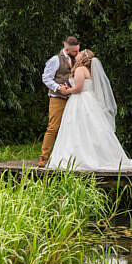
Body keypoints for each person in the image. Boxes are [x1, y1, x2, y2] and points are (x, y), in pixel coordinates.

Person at [44, 49, 132, 171]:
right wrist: (69, 88)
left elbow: (78, 88)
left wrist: (66, 91)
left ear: (83, 58)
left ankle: (80, 157)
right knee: (88, 128)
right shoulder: (88, 70)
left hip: (81, 101)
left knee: (78, 128)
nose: (77, 55)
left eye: (80, 53)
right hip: (87, 100)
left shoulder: (80, 69)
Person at [37, 35, 81, 166]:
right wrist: (58, 88)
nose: (78, 53)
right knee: (53, 127)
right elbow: (46, 78)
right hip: (58, 98)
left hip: (73, 98)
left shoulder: (77, 60)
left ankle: (70, 158)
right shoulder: (55, 60)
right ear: (67, 50)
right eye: (75, 51)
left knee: (72, 127)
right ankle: (43, 157)